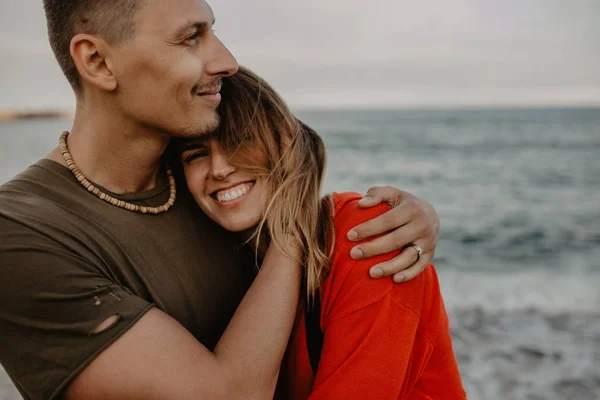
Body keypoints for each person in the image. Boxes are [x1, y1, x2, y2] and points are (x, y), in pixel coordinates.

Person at [0, 1, 441, 399]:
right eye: (191, 37)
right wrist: (296, 218)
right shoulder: (19, 234)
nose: (226, 60)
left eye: (212, 31)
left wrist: (399, 218)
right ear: (97, 61)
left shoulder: (206, 185)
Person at [177, 66, 465, 399]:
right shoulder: (227, 255)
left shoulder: (367, 239)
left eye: (239, 141)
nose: (220, 169)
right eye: (195, 155)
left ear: (284, 142)